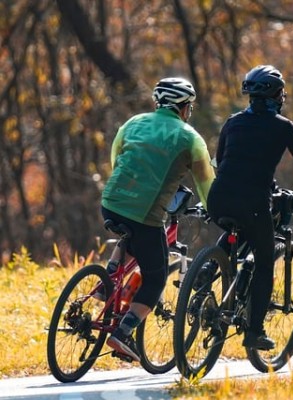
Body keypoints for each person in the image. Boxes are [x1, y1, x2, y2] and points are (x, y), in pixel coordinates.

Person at [207, 65, 293, 350]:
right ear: (277, 95)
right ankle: (254, 332)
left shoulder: (232, 122)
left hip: (217, 198)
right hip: (253, 203)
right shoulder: (284, 127)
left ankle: (207, 271)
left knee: (235, 229)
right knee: (265, 262)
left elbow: (223, 161)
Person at [99, 77, 215, 361]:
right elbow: (206, 183)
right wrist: (214, 208)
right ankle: (122, 333)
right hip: (145, 214)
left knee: (133, 238)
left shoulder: (133, 123)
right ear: (184, 106)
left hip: (110, 202)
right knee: (156, 277)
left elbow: (117, 158)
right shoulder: (190, 138)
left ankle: (105, 284)